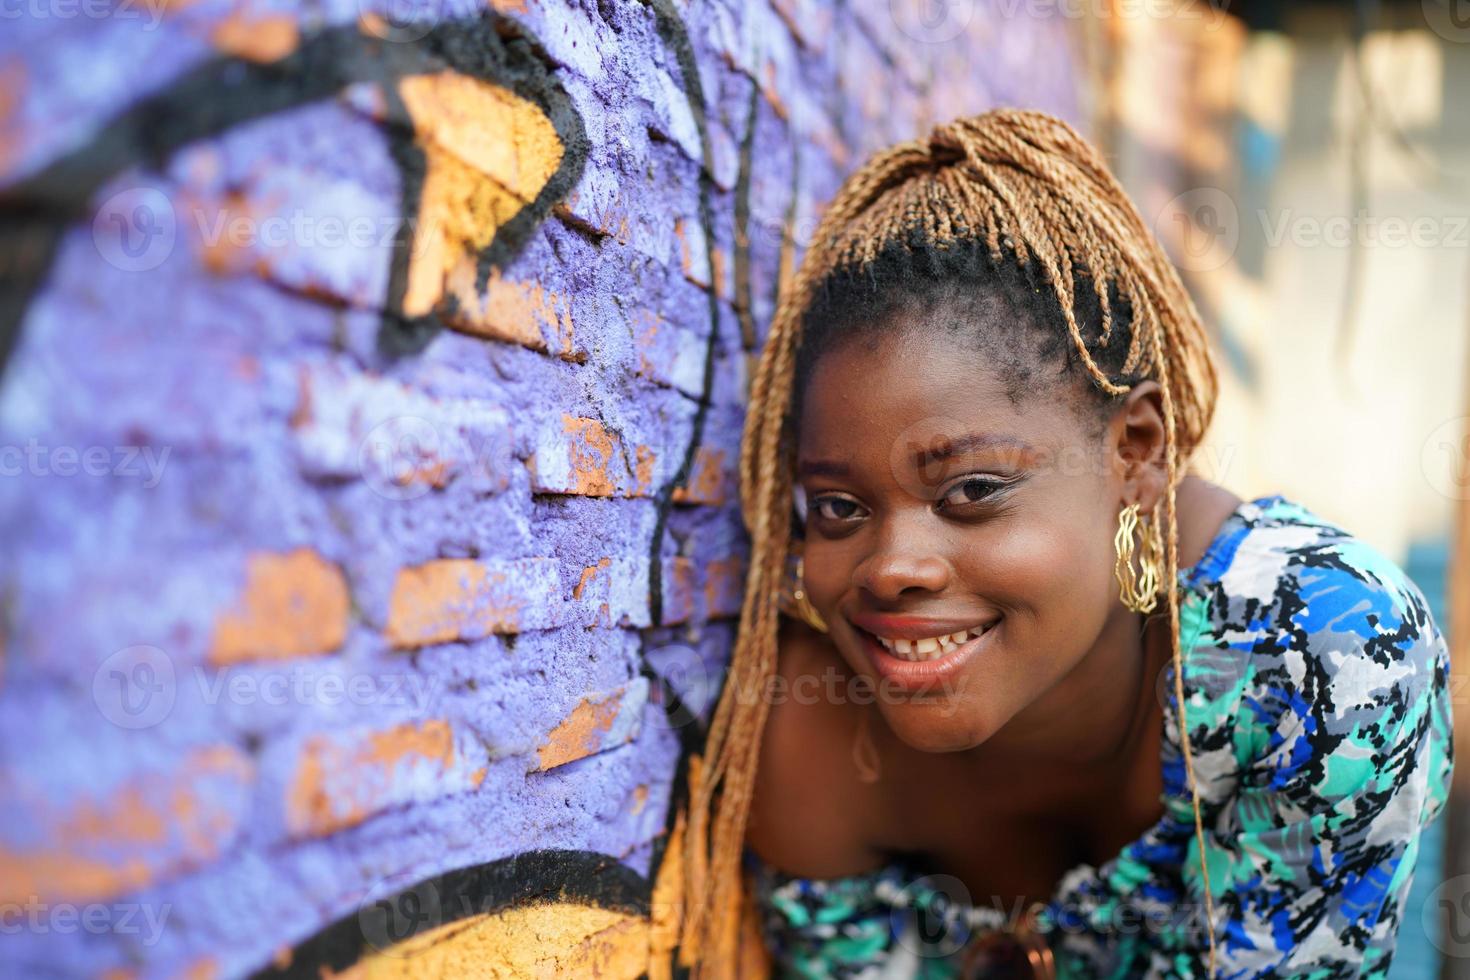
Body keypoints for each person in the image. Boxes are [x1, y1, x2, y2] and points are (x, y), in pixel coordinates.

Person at [678, 109, 1454, 978]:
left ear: (1136, 453)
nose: (891, 568)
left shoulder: (1316, 657)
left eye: (971, 490)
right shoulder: (805, 741)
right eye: (837, 507)